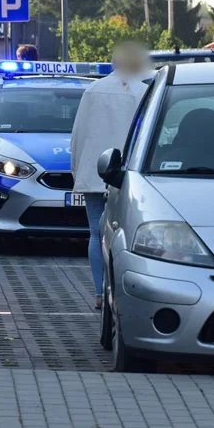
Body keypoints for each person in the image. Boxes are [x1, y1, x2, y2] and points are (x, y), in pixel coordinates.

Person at [70, 41, 153, 309]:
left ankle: (98, 292)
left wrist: (78, 172)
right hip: (130, 175)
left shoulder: (93, 90)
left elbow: (78, 136)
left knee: (96, 232)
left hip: (95, 172)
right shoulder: (146, 92)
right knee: (126, 238)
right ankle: (120, 294)